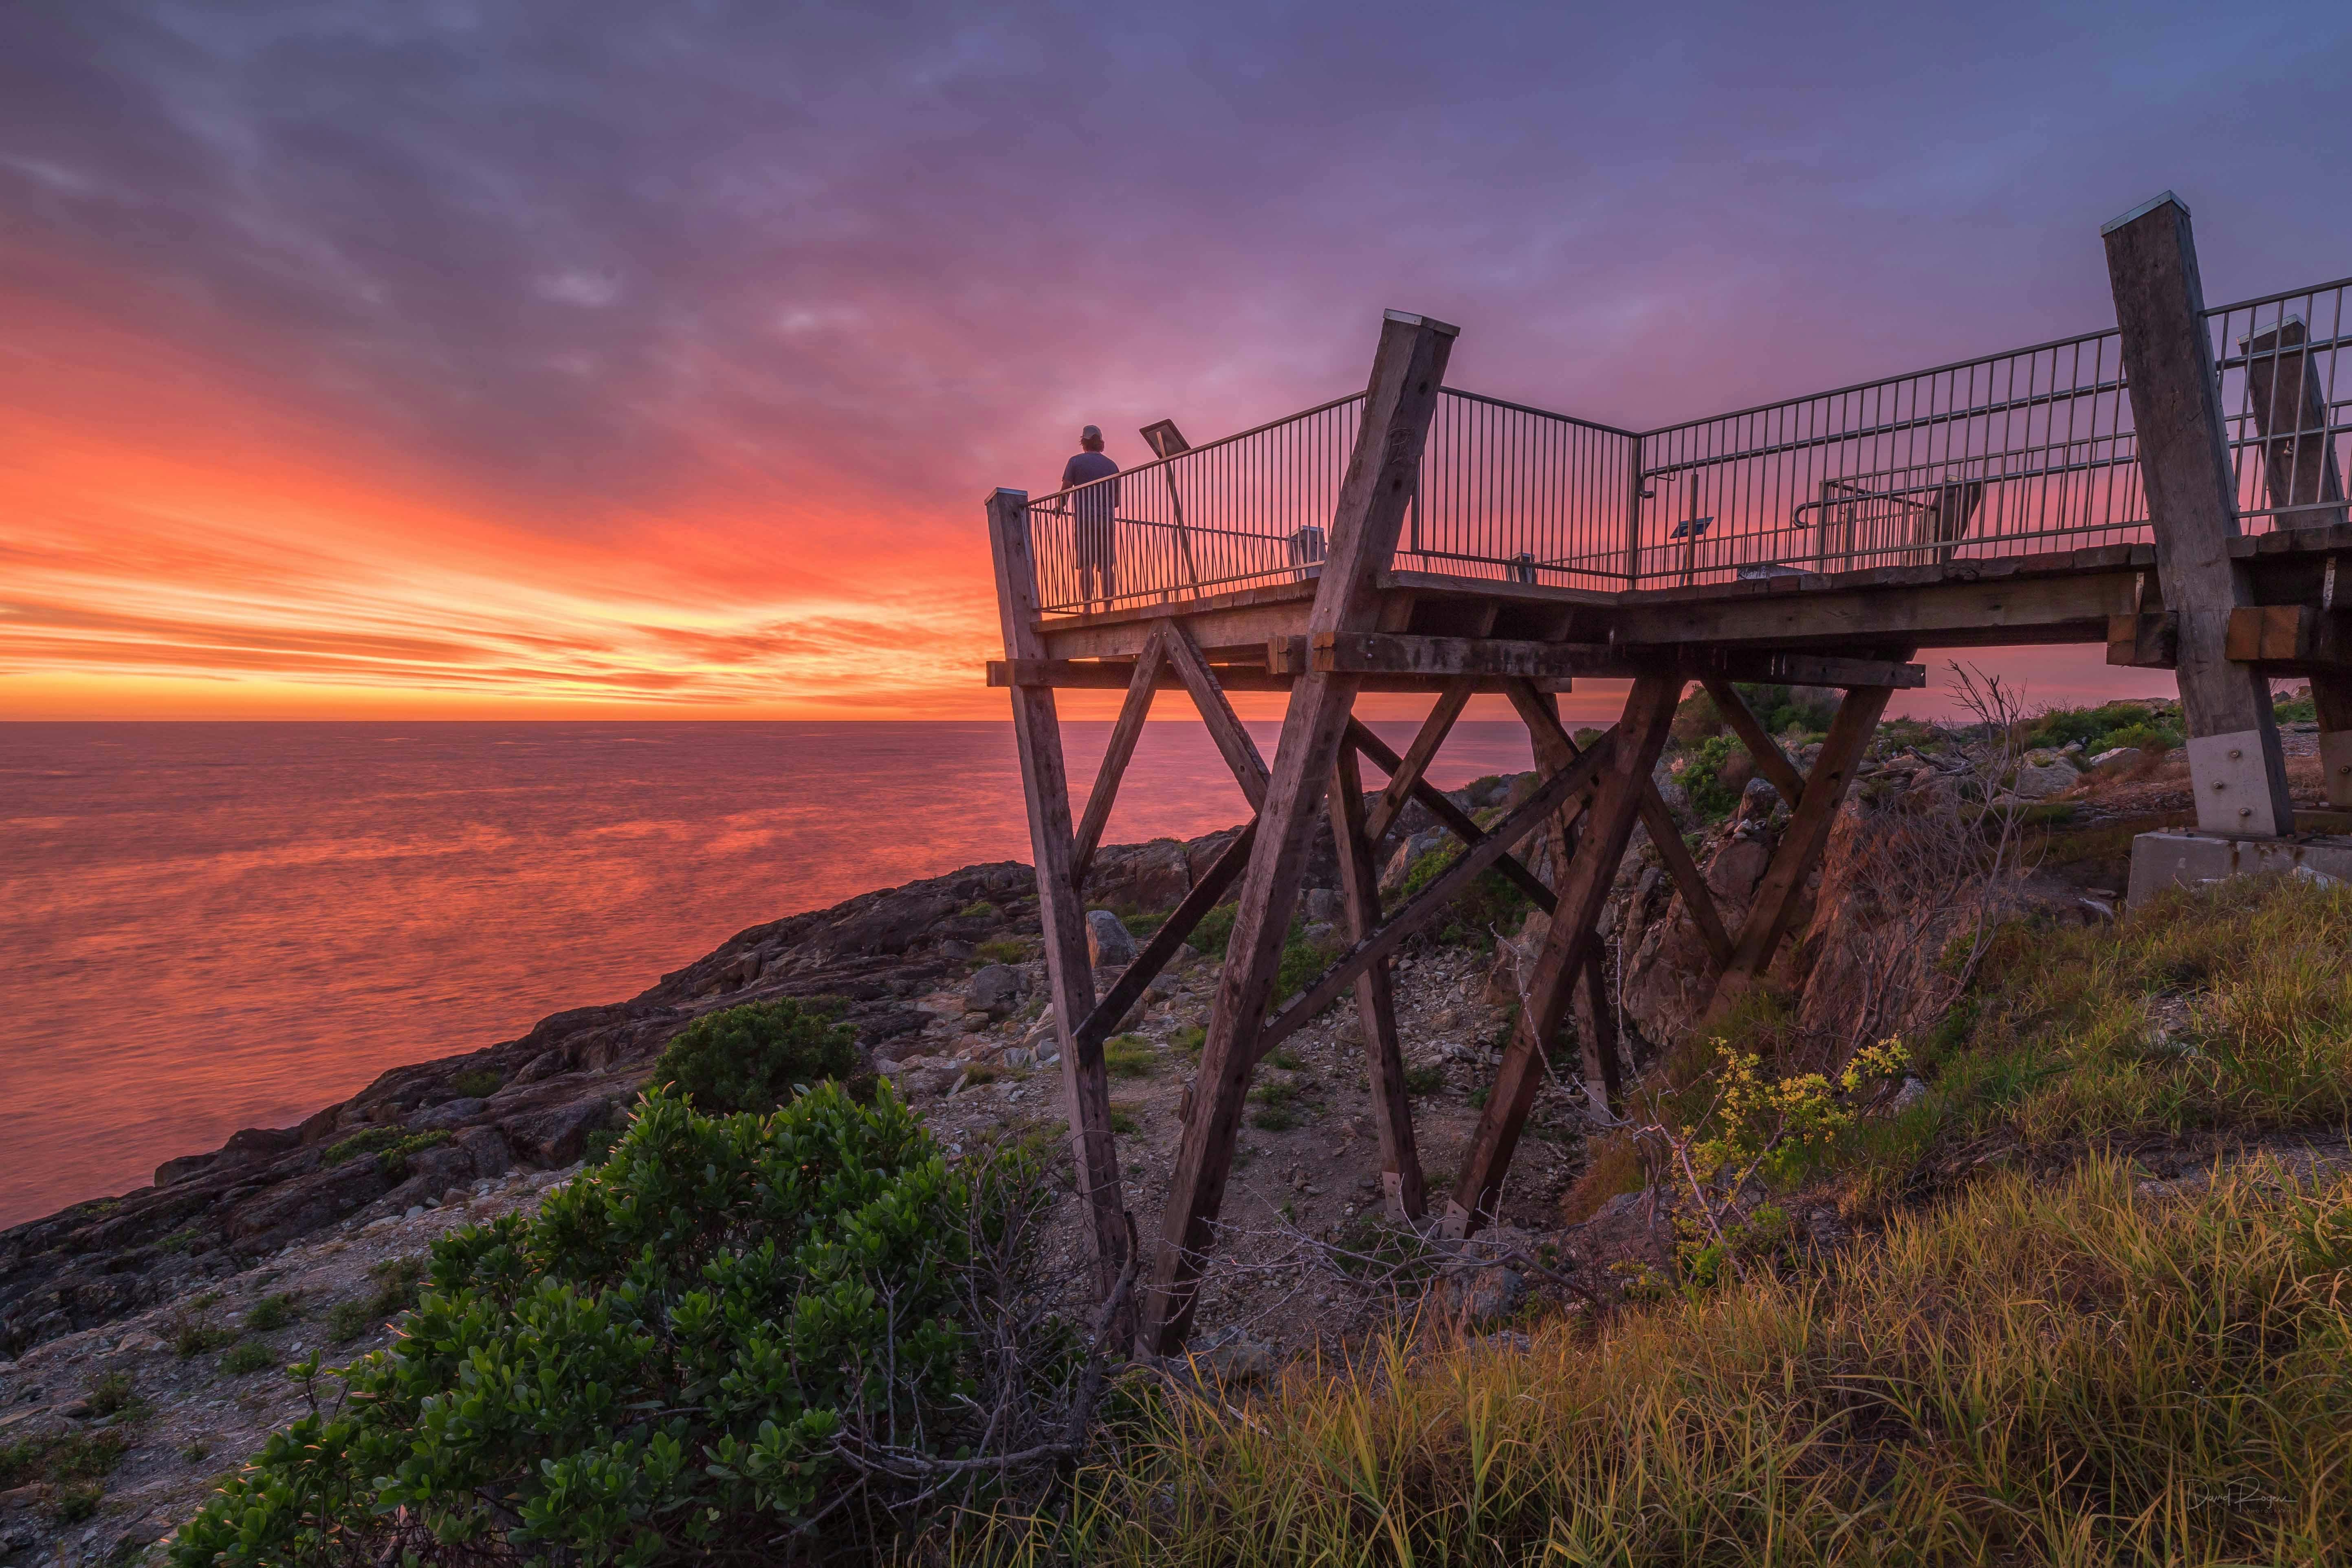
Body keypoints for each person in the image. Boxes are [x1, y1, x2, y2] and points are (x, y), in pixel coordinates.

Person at [1061, 425, 1120, 610]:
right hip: (1106, 520)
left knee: (1086, 564)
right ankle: (1108, 609)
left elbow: (1066, 489)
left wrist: (1059, 506)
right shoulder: (1112, 465)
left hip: (1084, 519)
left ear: (1084, 443)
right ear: (1101, 444)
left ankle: (1087, 608)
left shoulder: (1075, 462)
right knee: (1107, 565)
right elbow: (1116, 501)